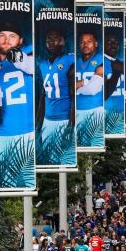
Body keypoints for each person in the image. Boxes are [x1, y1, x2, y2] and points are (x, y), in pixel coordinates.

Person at [0, 21, 35, 189]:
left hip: (26, 135)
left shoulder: (28, 55)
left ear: (20, 40)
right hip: (0, 136)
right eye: (2, 36)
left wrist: (16, 56)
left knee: (27, 184)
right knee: (2, 188)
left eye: (12, 36)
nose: (6, 40)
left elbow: (31, 66)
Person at [36, 28, 75, 165]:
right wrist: (38, 123)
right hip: (48, 122)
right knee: (50, 163)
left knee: (66, 161)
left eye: (55, 39)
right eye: (48, 40)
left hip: (64, 119)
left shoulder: (70, 60)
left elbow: (74, 96)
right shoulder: (42, 64)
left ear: (63, 41)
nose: (51, 42)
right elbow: (43, 95)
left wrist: (70, 126)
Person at [75, 30, 105, 147]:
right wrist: (80, 84)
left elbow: (92, 89)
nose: (85, 45)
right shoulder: (75, 60)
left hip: (94, 110)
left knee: (94, 145)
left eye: (89, 42)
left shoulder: (101, 60)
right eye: (82, 42)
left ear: (96, 43)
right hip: (76, 111)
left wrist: (76, 87)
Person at [104, 28, 124, 134]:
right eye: (109, 42)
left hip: (122, 117)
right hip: (105, 115)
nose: (113, 45)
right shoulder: (100, 62)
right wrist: (116, 73)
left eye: (116, 43)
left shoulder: (122, 62)